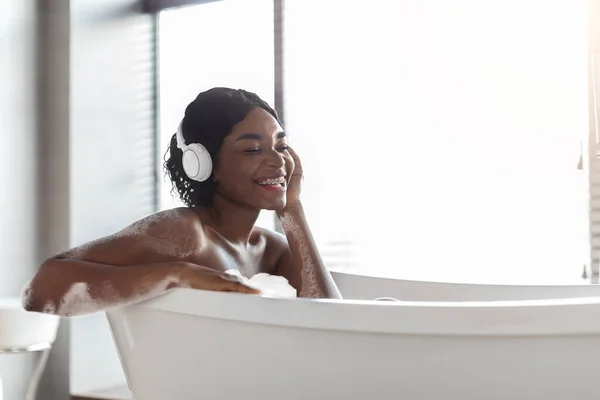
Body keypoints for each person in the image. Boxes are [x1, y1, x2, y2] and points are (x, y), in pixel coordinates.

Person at [22, 87, 342, 317]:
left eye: (281, 146)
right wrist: (178, 274)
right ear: (203, 164)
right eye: (252, 149)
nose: (277, 161)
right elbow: (41, 289)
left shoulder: (272, 249)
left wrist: (292, 210)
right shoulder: (184, 233)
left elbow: (333, 326)